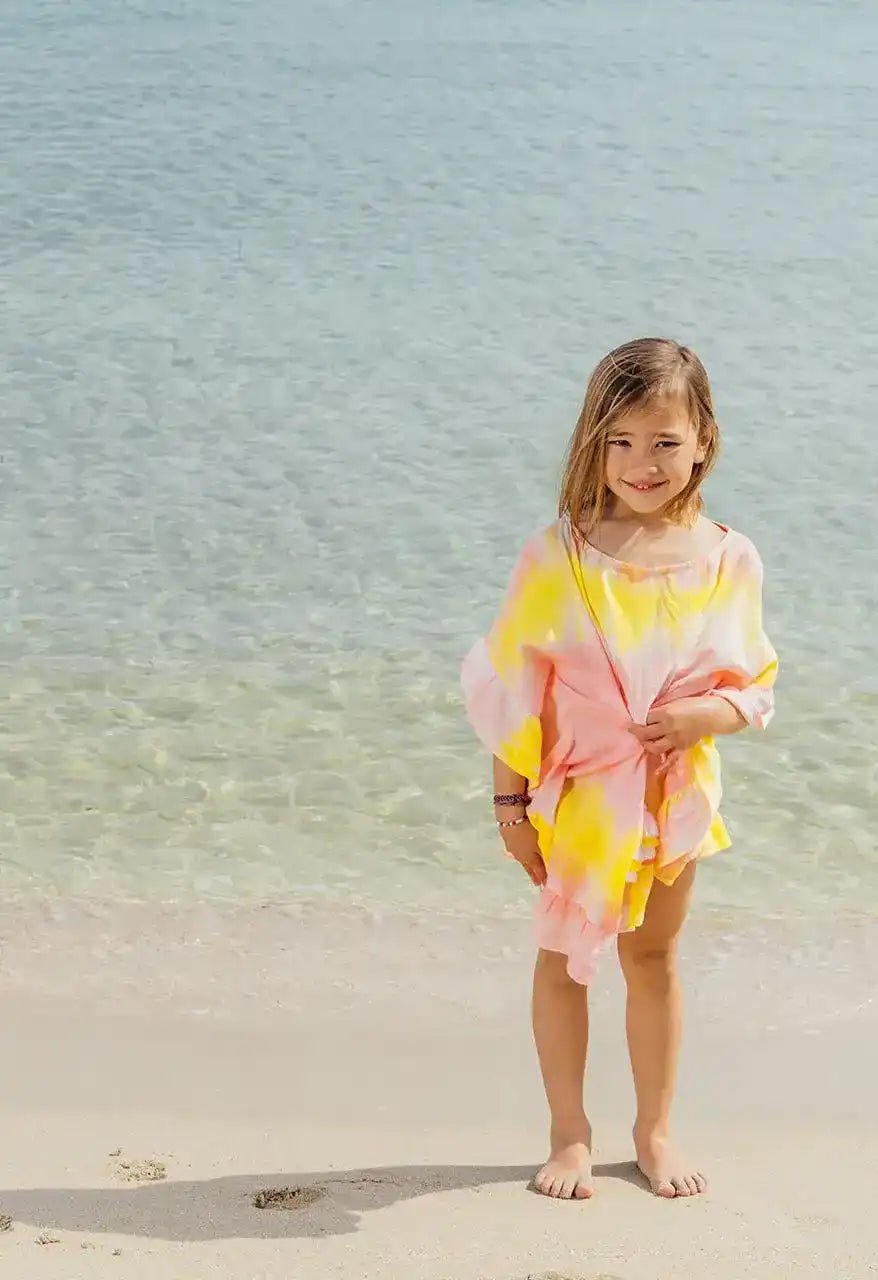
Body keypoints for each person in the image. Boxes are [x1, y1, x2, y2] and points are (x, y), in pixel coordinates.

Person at [461, 337, 777, 1201]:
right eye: (623, 441)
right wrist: (508, 806)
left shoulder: (728, 558)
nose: (643, 464)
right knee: (563, 958)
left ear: (704, 439)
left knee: (654, 959)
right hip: (579, 800)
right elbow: (512, 690)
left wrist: (701, 717)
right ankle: (569, 1134)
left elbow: (754, 690)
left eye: (666, 442)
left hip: (672, 797)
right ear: (594, 442)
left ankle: (655, 1130)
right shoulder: (556, 554)